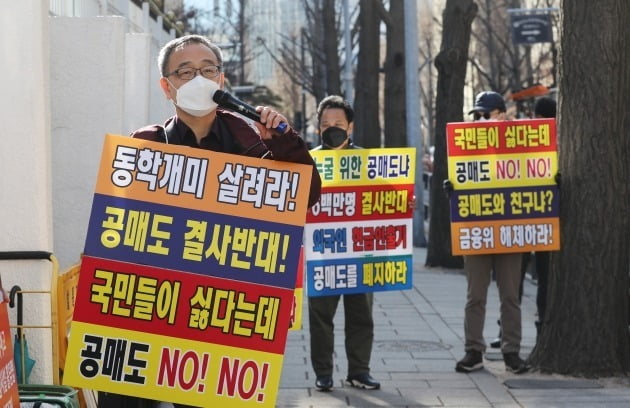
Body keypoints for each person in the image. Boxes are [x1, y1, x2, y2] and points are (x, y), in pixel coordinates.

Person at [98, 34, 322, 408]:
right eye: (185, 72)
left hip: (225, 311)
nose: (198, 80)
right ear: (166, 86)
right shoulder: (147, 143)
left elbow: (305, 198)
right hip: (157, 307)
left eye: (207, 70)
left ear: (222, 81)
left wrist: (286, 145)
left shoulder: (254, 141)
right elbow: (117, 230)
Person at [449, 91, 529, 374]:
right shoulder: (465, 147)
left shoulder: (521, 144)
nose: (480, 120)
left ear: (501, 114)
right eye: (477, 116)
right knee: (476, 295)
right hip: (476, 230)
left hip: (509, 231)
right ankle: (473, 350)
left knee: (510, 295)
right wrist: (453, 189)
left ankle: (511, 351)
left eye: (486, 114)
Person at [307, 95, 380, 391]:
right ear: (317, 128)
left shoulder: (368, 162)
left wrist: (404, 203)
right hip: (323, 251)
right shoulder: (309, 162)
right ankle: (323, 371)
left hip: (360, 252)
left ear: (350, 127)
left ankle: (359, 370)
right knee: (321, 316)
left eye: (337, 123)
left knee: (361, 313)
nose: (331, 128)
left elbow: (384, 200)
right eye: (325, 124)